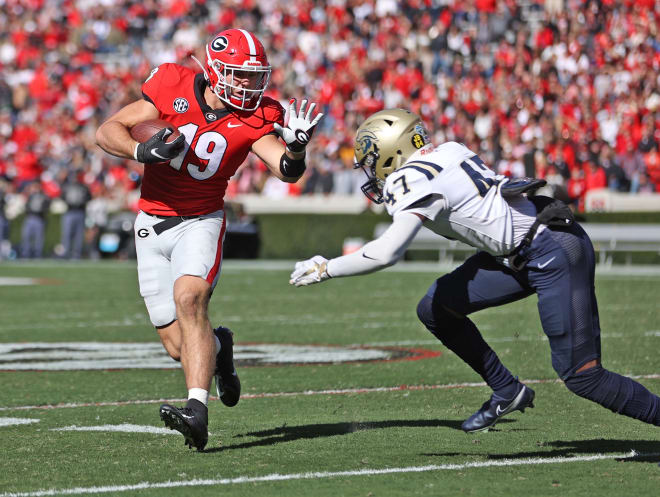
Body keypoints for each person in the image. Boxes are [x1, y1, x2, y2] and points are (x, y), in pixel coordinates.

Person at [290, 109, 660, 432]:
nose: (371, 171)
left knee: (583, 376)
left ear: (393, 152)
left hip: (550, 251)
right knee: (435, 307)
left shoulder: (410, 177)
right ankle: (507, 389)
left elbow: (387, 252)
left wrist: (326, 267)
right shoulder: (449, 149)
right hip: (518, 252)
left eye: (372, 160)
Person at [96, 28, 323, 451]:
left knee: (190, 300)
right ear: (216, 71)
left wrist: (296, 149)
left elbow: (286, 170)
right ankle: (221, 346)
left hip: (201, 219)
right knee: (175, 345)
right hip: (150, 222)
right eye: (241, 76)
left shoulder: (259, 115)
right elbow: (108, 130)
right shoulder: (172, 84)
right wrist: (141, 152)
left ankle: (196, 411)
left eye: (257, 77)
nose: (252, 85)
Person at [60, 173, 91, 259]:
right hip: (70, 211)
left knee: (79, 235)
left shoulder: (83, 187)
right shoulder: (67, 187)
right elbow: (62, 197)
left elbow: (89, 197)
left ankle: (76, 254)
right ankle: (66, 253)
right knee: (67, 233)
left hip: (80, 212)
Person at [20, 182, 50, 259]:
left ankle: (37, 255)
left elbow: (47, 206)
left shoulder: (44, 196)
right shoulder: (30, 196)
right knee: (26, 236)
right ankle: (26, 254)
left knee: (38, 238)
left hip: (39, 218)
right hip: (29, 217)